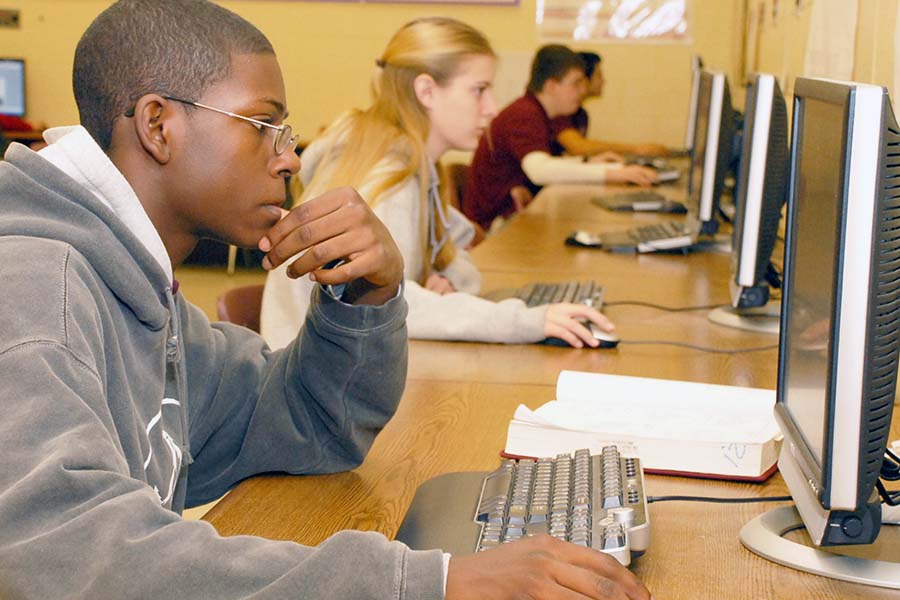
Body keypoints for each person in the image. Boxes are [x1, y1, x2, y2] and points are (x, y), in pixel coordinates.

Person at [0, 2, 650, 599]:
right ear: (158, 125)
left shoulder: (145, 293)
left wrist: (366, 301)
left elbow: (309, 424)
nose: (289, 157)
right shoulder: (35, 290)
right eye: (264, 126)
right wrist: (430, 583)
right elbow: (65, 558)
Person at [261, 18, 616, 352]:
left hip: (347, 364)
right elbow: (389, 302)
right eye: (480, 90)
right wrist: (524, 322)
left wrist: (443, 283)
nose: (492, 108)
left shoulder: (417, 166)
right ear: (427, 91)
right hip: (315, 389)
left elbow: (448, 264)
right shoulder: (387, 176)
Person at [461, 45, 658, 232]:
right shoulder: (523, 114)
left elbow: (545, 162)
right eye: (576, 83)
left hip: (516, 218)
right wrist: (613, 174)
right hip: (491, 230)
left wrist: (588, 162)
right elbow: (540, 170)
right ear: (551, 86)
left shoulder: (541, 113)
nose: (583, 90)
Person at [549, 52, 670, 159]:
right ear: (583, 79)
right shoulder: (560, 110)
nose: (603, 81)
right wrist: (637, 149)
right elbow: (578, 147)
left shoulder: (581, 114)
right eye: (599, 75)